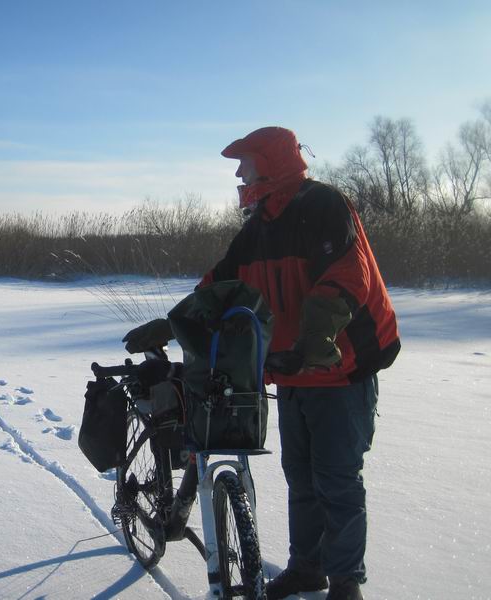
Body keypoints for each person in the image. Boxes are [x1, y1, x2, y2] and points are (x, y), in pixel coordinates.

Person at [123, 127, 400, 600]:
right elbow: (219, 287)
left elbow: (349, 274)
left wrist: (317, 333)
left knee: (337, 478)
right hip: (293, 369)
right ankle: (308, 570)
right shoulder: (259, 227)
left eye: (245, 162)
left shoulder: (323, 206)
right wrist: (173, 324)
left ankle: (347, 582)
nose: (238, 173)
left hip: (340, 366)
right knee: (301, 476)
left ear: (269, 164)